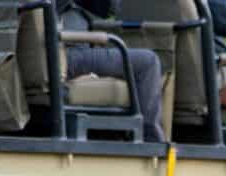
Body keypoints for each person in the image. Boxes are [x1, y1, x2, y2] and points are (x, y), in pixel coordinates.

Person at [57, 0, 166, 142]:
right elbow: (110, 9)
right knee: (149, 62)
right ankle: (151, 140)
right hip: (69, 55)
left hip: (65, 51)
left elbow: (107, 10)